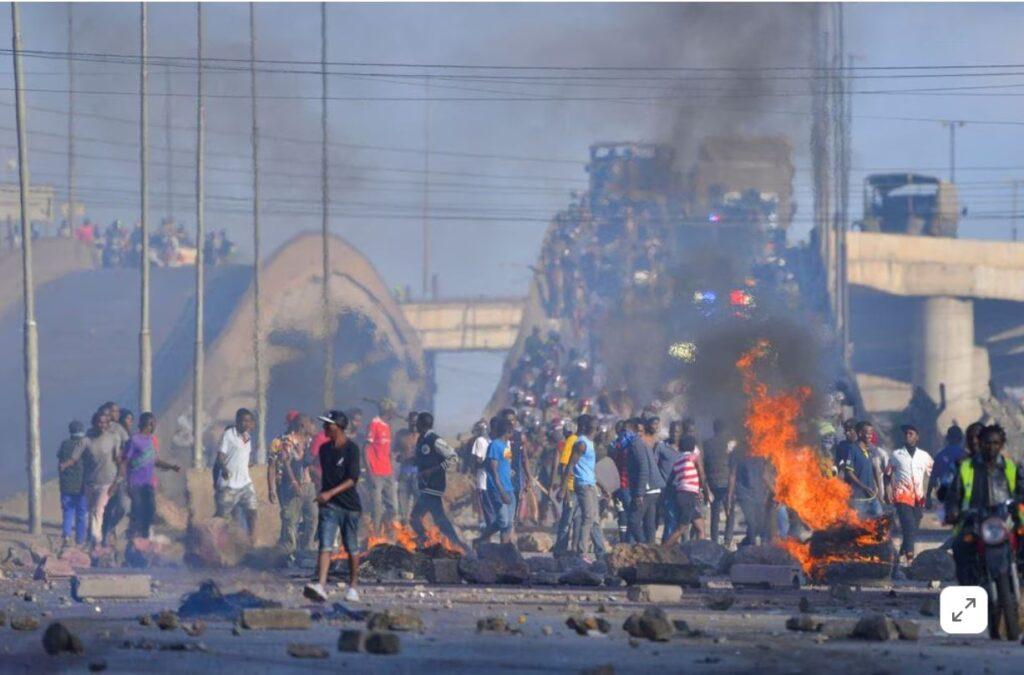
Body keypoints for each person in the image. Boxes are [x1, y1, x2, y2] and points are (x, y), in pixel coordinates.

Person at [945, 424, 1024, 586]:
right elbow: (953, 494)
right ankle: (969, 591)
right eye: (987, 443)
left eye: (996, 443)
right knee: (961, 546)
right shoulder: (965, 466)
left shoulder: (1010, 466)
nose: (991, 447)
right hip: (973, 522)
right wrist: (953, 511)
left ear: (1002, 444)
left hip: (1006, 519)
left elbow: (1021, 487)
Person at [304, 410, 362, 603]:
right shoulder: (324, 449)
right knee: (325, 545)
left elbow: (352, 479)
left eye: (328, 424)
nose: (324, 428)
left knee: (351, 547)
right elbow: (325, 475)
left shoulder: (352, 449)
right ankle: (320, 585)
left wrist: (329, 493)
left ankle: (353, 587)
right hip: (329, 506)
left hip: (349, 506)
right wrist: (322, 491)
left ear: (338, 427)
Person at [410, 412, 466, 550]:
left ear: (422, 424)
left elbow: (453, 457)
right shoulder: (421, 439)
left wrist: (434, 470)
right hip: (425, 486)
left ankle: (433, 541)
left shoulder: (435, 440)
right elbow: (423, 459)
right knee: (437, 518)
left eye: (417, 422)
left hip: (434, 485)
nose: (415, 425)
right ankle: (451, 542)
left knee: (417, 517)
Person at [120, 412, 179, 540]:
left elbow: (155, 461)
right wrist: (125, 481)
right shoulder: (134, 440)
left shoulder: (152, 441)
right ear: (148, 424)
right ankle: (133, 537)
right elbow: (124, 461)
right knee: (137, 510)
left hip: (148, 483)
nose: (154, 426)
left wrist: (171, 467)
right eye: (153, 423)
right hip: (135, 483)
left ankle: (144, 536)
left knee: (150, 510)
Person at [886, 424, 933, 566]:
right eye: (906, 433)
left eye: (911, 433)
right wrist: (887, 492)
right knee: (909, 526)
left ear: (917, 437)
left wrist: (930, 495)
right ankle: (910, 561)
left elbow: (933, 475)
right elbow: (887, 475)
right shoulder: (896, 455)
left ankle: (899, 557)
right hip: (902, 497)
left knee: (911, 530)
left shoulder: (924, 456)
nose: (908, 435)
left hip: (919, 498)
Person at [269, 412, 316, 554]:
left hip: (308, 485)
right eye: (309, 423)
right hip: (290, 485)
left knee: (313, 517)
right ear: (302, 425)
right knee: (290, 519)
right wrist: (293, 482)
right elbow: (284, 463)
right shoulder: (286, 441)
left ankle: (307, 548)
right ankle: (289, 551)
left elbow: (308, 464)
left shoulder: (308, 441)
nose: (313, 426)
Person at [558, 414, 600, 563]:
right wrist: (563, 489)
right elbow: (569, 465)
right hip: (582, 485)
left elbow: (590, 468)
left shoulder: (590, 443)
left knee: (591, 518)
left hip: (590, 484)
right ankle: (582, 552)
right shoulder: (581, 444)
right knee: (587, 517)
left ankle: (583, 551)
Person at [214, 408, 259, 546]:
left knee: (252, 511)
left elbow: (241, 456)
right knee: (223, 518)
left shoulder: (247, 437)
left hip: (245, 484)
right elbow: (220, 457)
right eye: (244, 421)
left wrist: (247, 464)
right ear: (237, 421)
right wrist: (224, 468)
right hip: (229, 485)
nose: (246, 424)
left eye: (249, 421)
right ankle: (219, 545)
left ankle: (251, 542)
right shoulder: (228, 435)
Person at [82, 411, 120, 548]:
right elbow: (82, 460)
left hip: (107, 481)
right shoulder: (87, 439)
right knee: (89, 511)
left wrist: (117, 480)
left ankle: (96, 540)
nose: (101, 425)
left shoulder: (113, 438)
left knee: (99, 510)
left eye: (104, 422)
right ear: (94, 423)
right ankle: (88, 539)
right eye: (99, 422)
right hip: (90, 481)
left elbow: (118, 459)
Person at [667, 434, 713, 543]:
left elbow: (670, 481)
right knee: (681, 528)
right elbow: (702, 476)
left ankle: (700, 553)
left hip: (683, 495)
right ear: (692, 446)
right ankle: (663, 549)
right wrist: (708, 493)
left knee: (701, 527)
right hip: (688, 497)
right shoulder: (693, 457)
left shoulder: (677, 461)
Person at [476, 415, 515, 544]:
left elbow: (507, 464)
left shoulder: (506, 446)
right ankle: (481, 539)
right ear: (508, 431)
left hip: (509, 487)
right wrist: (501, 491)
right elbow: (493, 471)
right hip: (498, 488)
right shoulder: (494, 446)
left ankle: (504, 550)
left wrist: (511, 473)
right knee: (503, 521)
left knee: (508, 524)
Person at [836, 420, 884, 518]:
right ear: (860, 433)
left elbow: (875, 469)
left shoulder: (871, 449)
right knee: (860, 524)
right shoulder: (852, 449)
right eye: (868, 433)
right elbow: (849, 472)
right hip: (858, 498)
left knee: (880, 517)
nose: (870, 436)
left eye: (872, 433)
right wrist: (863, 487)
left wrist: (879, 489)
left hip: (872, 495)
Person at [628, 416, 664, 544]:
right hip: (654, 488)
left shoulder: (636, 443)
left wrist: (639, 493)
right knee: (649, 522)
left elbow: (644, 468)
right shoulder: (642, 442)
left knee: (633, 520)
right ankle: (651, 549)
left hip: (647, 489)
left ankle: (644, 546)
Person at [365, 399, 399, 534]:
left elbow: (387, 449)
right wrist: (369, 472)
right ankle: (376, 536)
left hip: (388, 472)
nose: (395, 412)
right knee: (377, 508)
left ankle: (387, 530)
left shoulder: (388, 426)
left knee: (393, 508)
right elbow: (366, 448)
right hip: (376, 473)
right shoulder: (374, 424)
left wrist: (392, 462)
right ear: (387, 410)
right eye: (393, 409)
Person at [703, 419, 735, 545]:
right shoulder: (730, 445)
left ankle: (714, 541)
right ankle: (727, 540)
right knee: (729, 512)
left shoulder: (707, 444)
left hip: (712, 483)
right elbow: (733, 465)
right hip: (727, 483)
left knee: (715, 514)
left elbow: (704, 464)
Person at [58, 420, 89, 549]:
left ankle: (66, 536)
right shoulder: (86, 446)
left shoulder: (64, 445)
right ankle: (80, 540)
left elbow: (60, 460)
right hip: (82, 486)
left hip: (66, 486)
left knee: (68, 512)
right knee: (81, 513)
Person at [552, 419, 579, 555]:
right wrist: (565, 490)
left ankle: (563, 549)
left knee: (568, 520)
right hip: (573, 487)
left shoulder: (570, 441)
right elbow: (564, 467)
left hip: (573, 487)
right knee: (570, 519)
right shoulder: (574, 441)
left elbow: (562, 466)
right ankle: (563, 549)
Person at [927, 424, 966, 510]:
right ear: (961, 439)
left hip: (945, 496)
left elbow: (933, 478)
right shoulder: (966, 456)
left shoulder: (940, 456)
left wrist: (928, 496)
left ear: (947, 438)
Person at [656, 421, 682, 544]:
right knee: (670, 518)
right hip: (666, 489)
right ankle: (665, 545)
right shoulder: (662, 447)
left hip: (682, 490)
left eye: (676, 432)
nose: (673, 434)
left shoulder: (685, 448)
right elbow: (654, 465)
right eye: (672, 431)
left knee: (680, 521)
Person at [469, 419, 491, 530]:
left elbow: (477, 459)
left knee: (480, 496)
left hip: (482, 472)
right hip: (492, 473)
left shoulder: (479, 441)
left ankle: (482, 519)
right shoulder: (493, 441)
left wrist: (472, 470)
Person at [394, 429, 418, 522]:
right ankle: (404, 521)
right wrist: (402, 457)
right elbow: (396, 456)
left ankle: (415, 520)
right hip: (404, 474)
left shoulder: (422, 441)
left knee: (416, 498)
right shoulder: (402, 436)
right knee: (403, 497)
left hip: (416, 474)